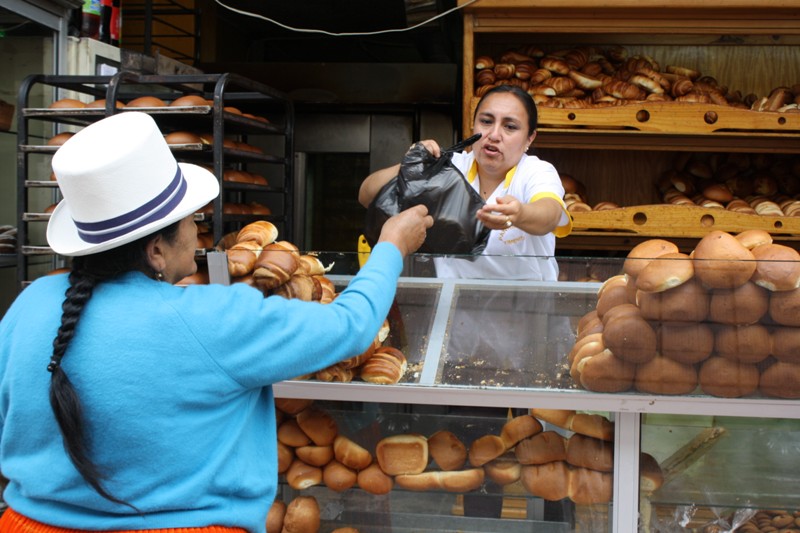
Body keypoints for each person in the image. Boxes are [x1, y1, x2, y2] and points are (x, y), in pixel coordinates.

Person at [0, 112, 433, 533]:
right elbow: (352, 326)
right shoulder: (210, 317)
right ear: (156, 250)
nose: (198, 230)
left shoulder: (31, 303)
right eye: (192, 220)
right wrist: (391, 246)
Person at [359, 83, 572, 281]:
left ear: (530, 138)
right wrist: (411, 164)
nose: (494, 135)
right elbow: (366, 195)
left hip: (526, 312)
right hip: (454, 310)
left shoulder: (536, 171)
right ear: (473, 124)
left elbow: (550, 215)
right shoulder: (448, 167)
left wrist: (520, 214)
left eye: (510, 127)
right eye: (486, 122)